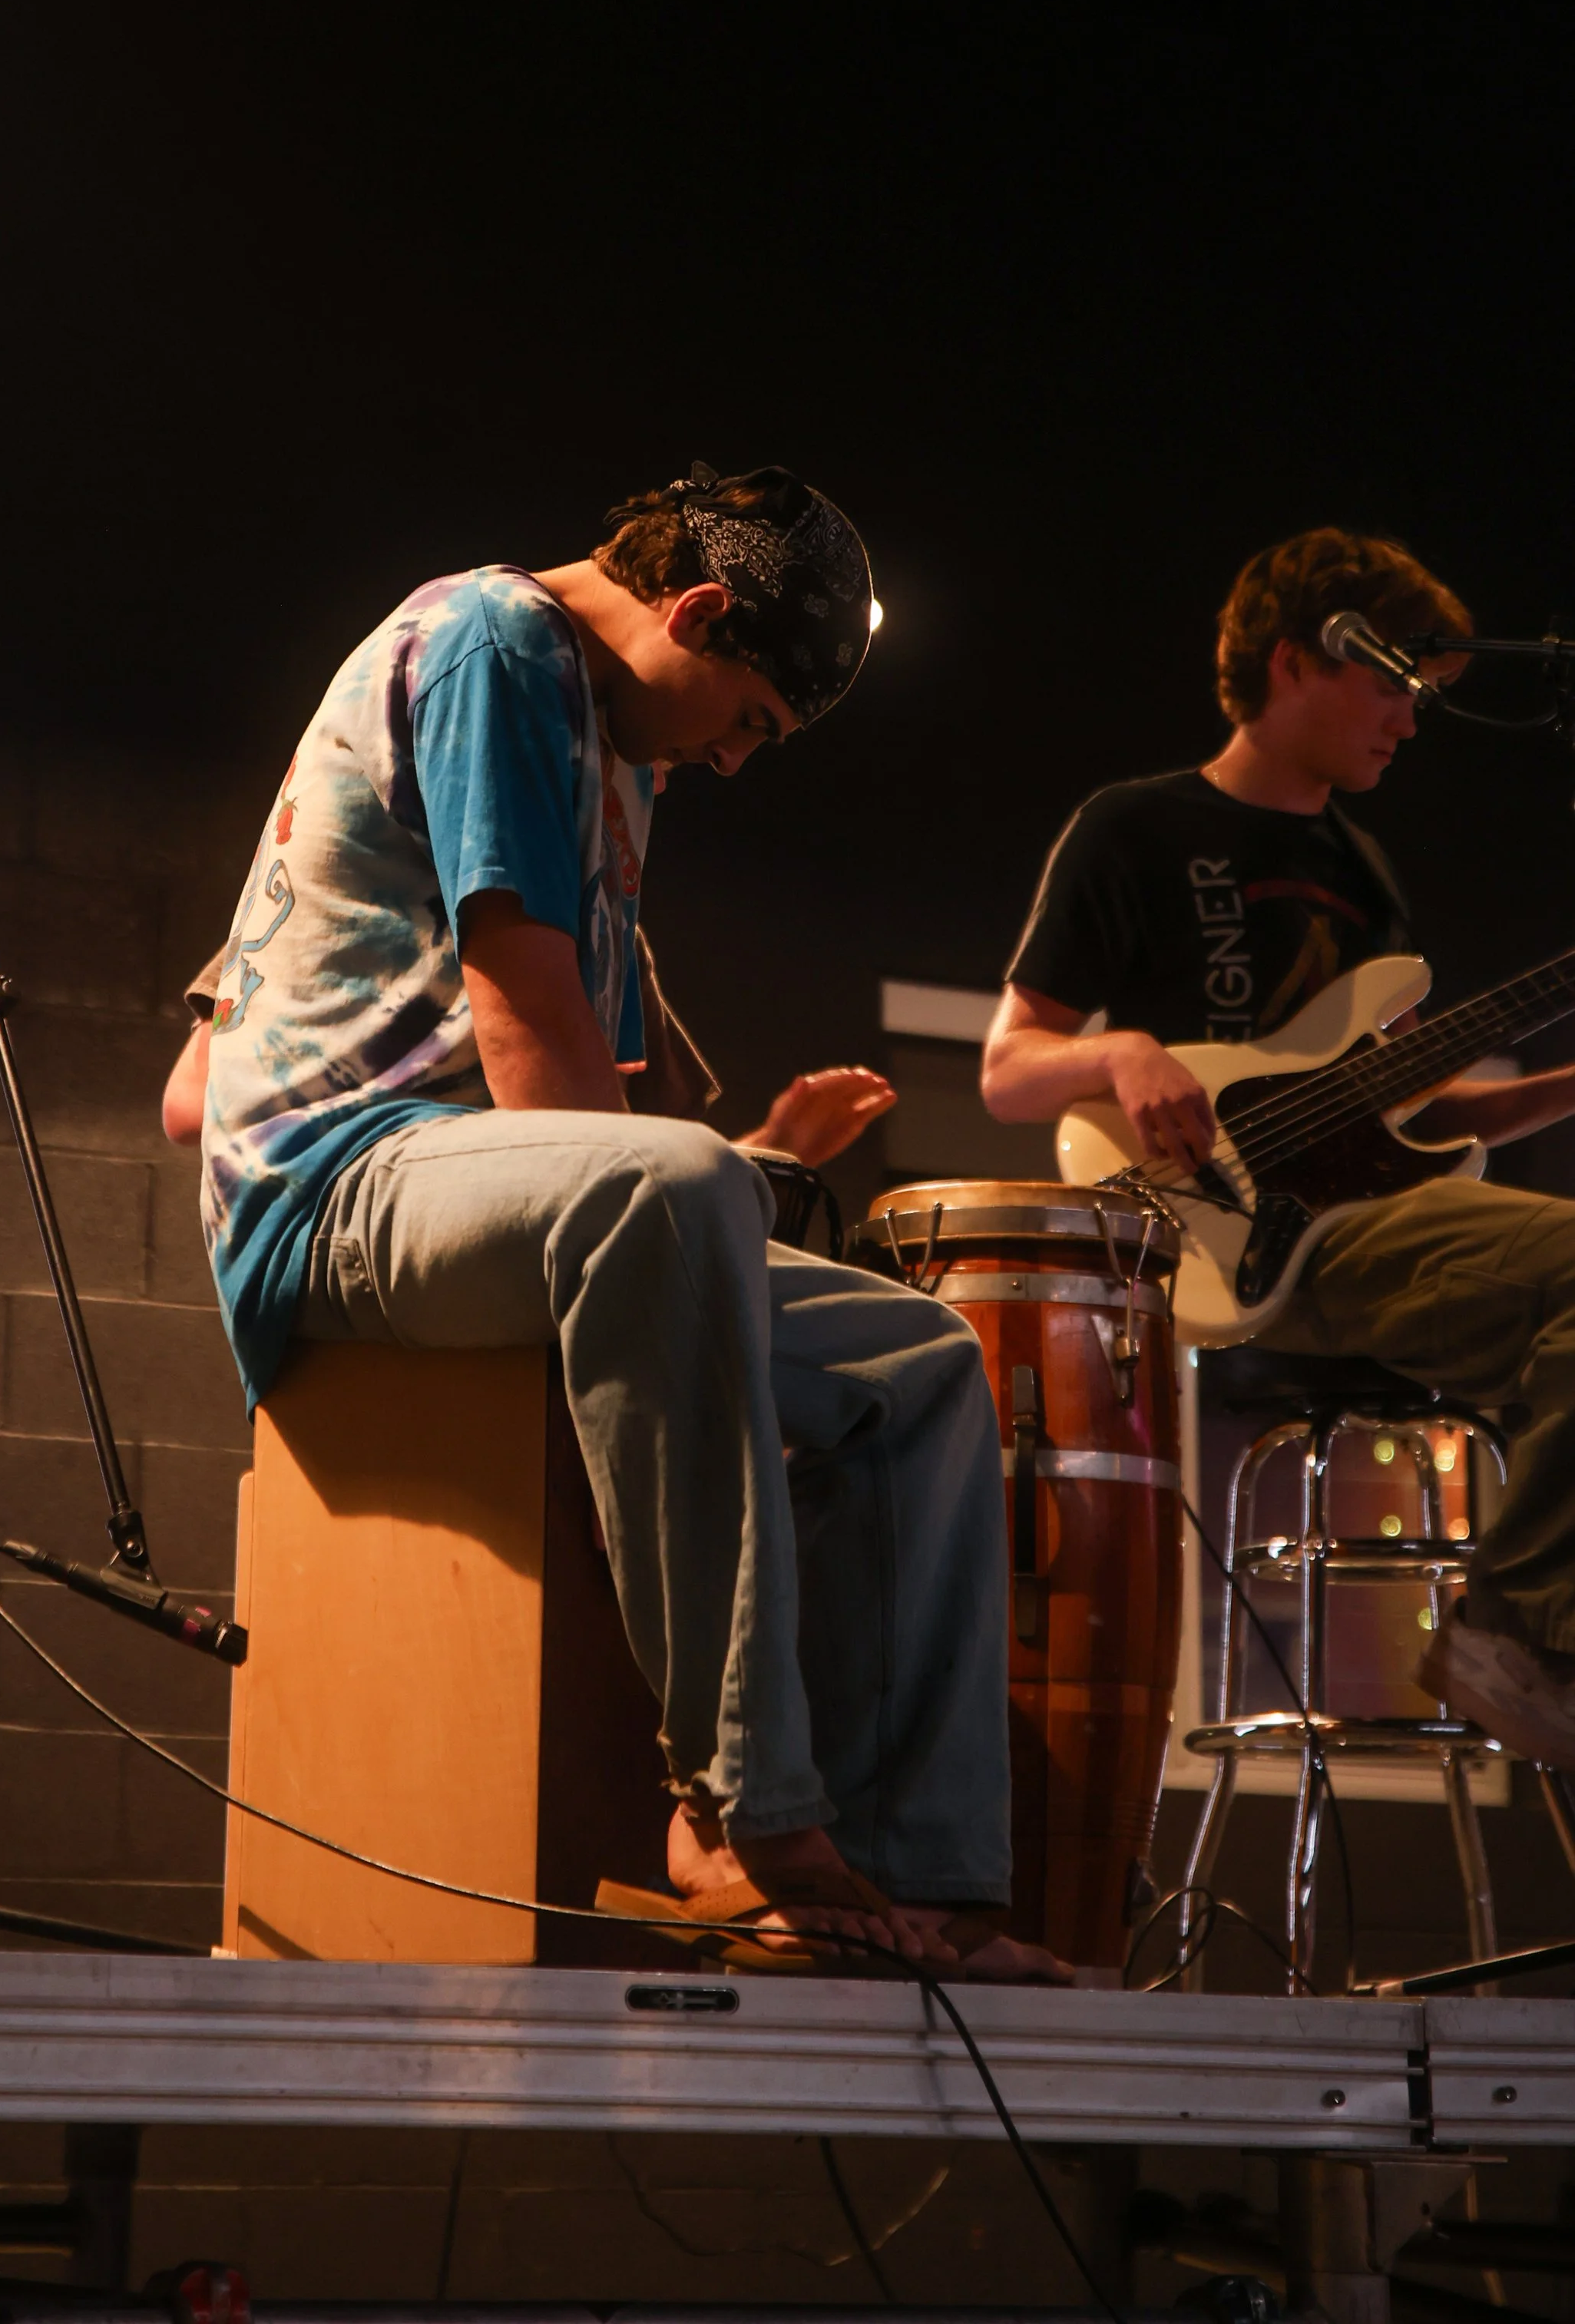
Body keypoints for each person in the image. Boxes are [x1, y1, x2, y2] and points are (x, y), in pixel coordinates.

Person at [190, 461, 1064, 1979]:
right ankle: (740, 1814)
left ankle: (908, 1880)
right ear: (697, 609)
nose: (731, 762)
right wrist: (693, 1188)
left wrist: (717, 1181)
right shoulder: (494, 640)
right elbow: (543, 1073)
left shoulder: (614, 752)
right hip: (333, 1188)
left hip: (446, 1184)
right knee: (674, 1185)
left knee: (915, 1364)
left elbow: (195, 1072)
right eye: (745, 720)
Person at [981, 526, 1575, 1770]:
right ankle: (1516, 1627)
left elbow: (1414, 1118)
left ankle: (1531, 1628)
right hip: (1240, 1239)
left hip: (1361, 1216)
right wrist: (1124, 1051)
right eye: (1395, 684)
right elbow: (1007, 1066)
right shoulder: (1135, 826)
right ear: (1299, 660)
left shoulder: (1364, 872)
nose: (1411, 725)